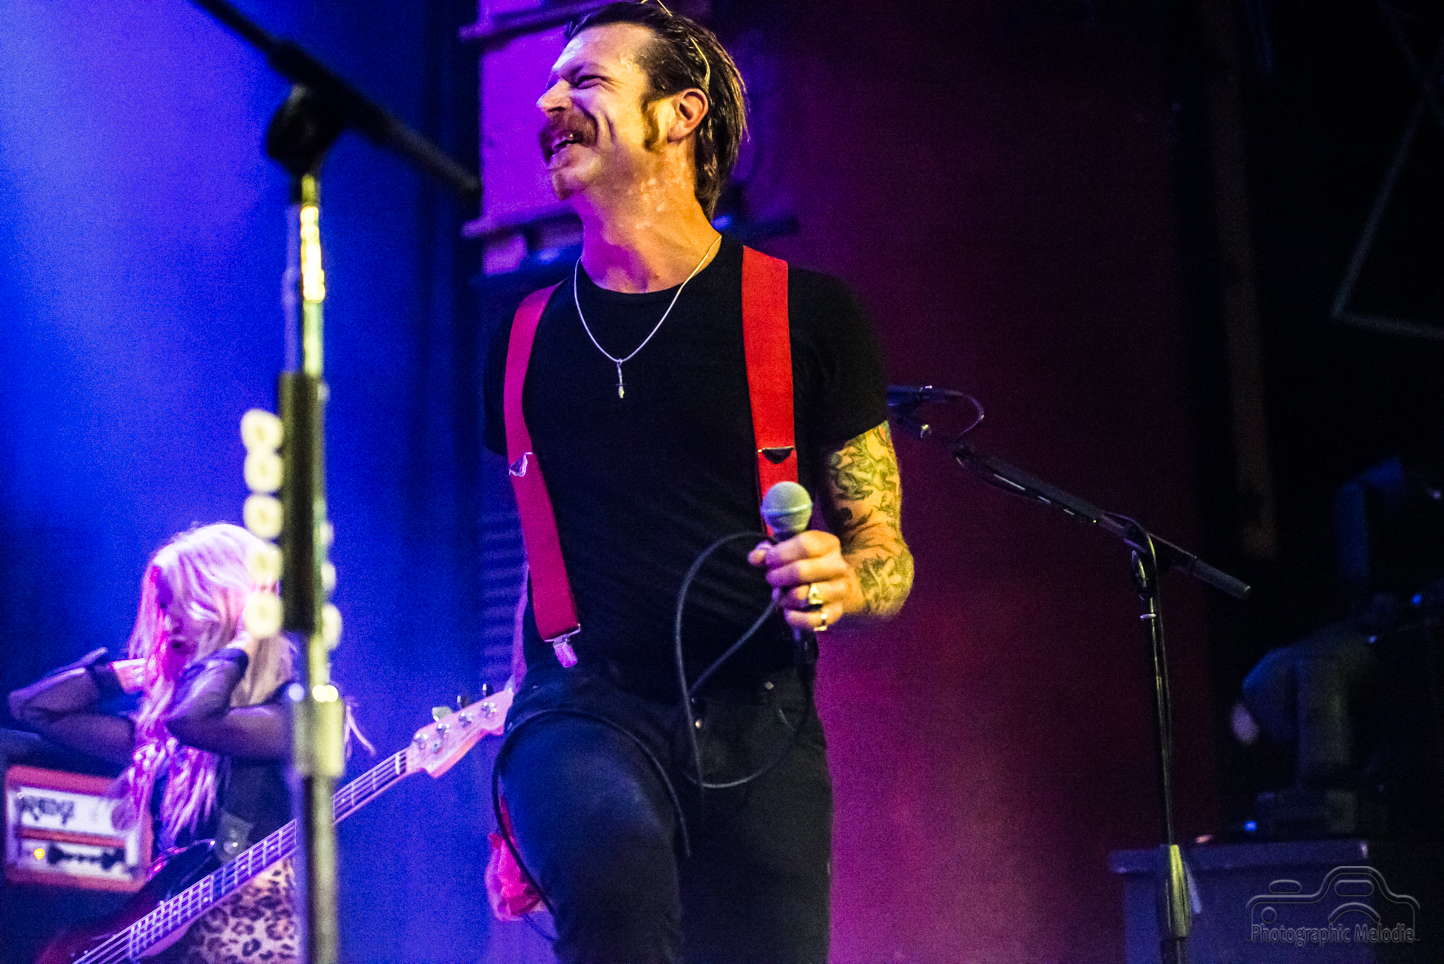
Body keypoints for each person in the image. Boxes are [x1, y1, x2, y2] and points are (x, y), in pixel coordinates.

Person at [481, 4, 913, 962]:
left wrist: (846, 582)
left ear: (679, 114)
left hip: (761, 715)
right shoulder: (522, 337)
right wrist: (508, 805)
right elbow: (539, 572)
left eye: (585, 80)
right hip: (579, 708)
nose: (549, 102)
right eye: (550, 84)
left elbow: (885, 552)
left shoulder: (808, 314)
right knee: (616, 874)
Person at [10, 523, 304, 964]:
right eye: (162, 610)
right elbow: (33, 709)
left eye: (180, 607)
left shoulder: (289, 717)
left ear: (224, 605)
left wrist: (245, 639)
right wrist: (144, 669)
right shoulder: (163, 738)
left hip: (249, 945)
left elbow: (193, 722)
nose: (166, 625)